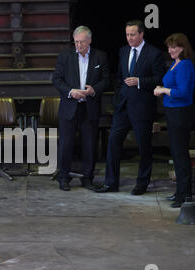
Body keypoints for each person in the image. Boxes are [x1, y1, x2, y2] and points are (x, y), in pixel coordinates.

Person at [94, 20, 165, 195]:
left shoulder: (154, 53)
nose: (129, 38)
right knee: (113, 143)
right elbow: (118, 76)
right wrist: (119, 95)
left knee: (143, 148)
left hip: (142, 107)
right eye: (127, 34)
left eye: (133, 34)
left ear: (141, 34)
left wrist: (139, 81)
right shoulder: (123, 51)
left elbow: (159, 78)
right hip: (122, 106)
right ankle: (111, 183)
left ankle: (142, 184)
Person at [52, 25, 110, 191]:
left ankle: (87, 179)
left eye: (82, 42)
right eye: (76, 42)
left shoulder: (100, 57)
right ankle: (63, 178)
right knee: (65, 144)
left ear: (90, 40)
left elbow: (106, 81)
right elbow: (57, 80)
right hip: (69, 107)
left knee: (90, 145)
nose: (78, 45)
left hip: (89, 107)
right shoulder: (65, 56)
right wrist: (71, 92)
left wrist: (94, 90)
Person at [154, 33, 195, 208]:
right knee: (177, 154)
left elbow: (183, 92)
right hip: (173, 112)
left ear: (183, 48)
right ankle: (180, 192)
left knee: (180, 155)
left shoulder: (185, 65)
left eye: (174, 47)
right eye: (169, 47)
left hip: (181, 113)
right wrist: (163, 88)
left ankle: (185, 195)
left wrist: (163, 90)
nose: (170, 50)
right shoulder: (175, 63)